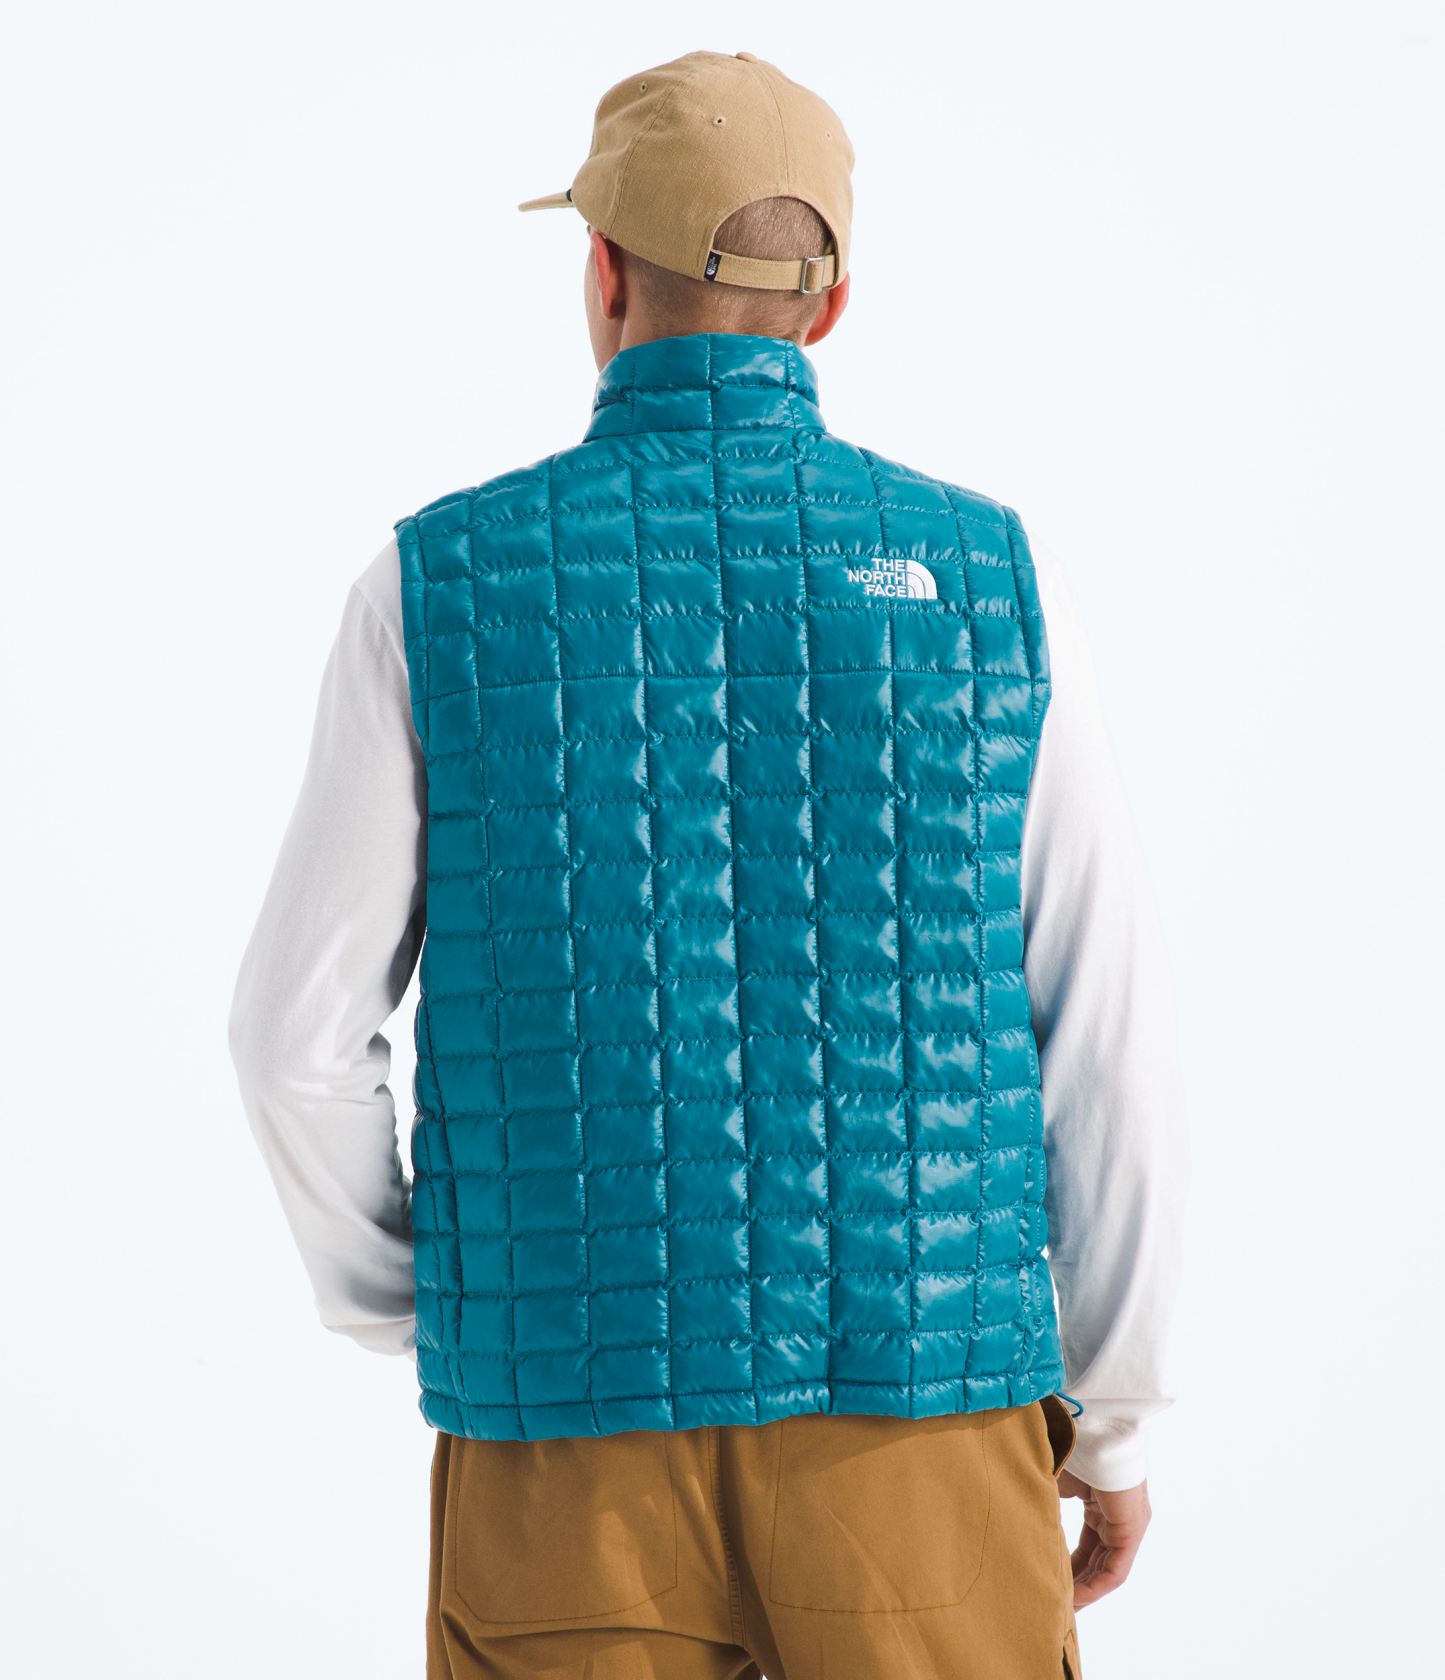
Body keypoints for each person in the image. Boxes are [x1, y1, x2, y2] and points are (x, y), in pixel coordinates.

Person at [230, 49, 1187, 1680]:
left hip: (567, 1443)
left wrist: (428, 1298)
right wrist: (1117, 1417)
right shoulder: (993, 578)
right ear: (832, 306)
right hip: (927, 1425)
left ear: (601, 273)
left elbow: (290, 1042)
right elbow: (1106, 1044)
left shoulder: (429, 584)